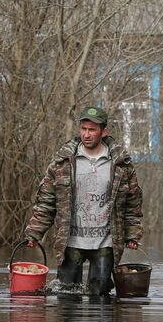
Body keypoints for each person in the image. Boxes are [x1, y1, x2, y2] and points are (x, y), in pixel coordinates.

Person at [23, 106, 142, 296]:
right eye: (83, 129)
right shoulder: (63, 162)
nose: (86, 134)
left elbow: (133, 203)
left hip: (105, 242)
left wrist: (133, 234)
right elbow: (47, 201)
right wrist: (34, 232)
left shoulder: (120, 164)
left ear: (104, 132)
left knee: (100, 300)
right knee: (66, 297)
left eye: (92, 130)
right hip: (70, 241)